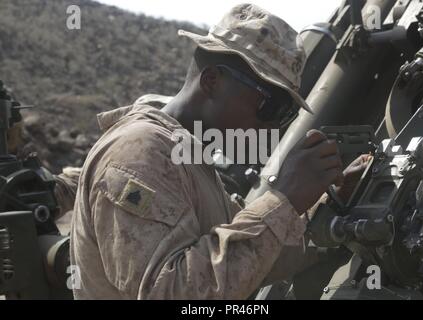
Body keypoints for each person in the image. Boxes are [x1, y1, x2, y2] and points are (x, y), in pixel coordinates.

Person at [70, 3, 368, 299]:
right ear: (212, 80)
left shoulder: (187, 154)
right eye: (270, 106)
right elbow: (169, 294)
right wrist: (284, 198)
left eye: (286, 113)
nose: (272, 127)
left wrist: (329, 207)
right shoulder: (141, 154)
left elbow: (253, 257)